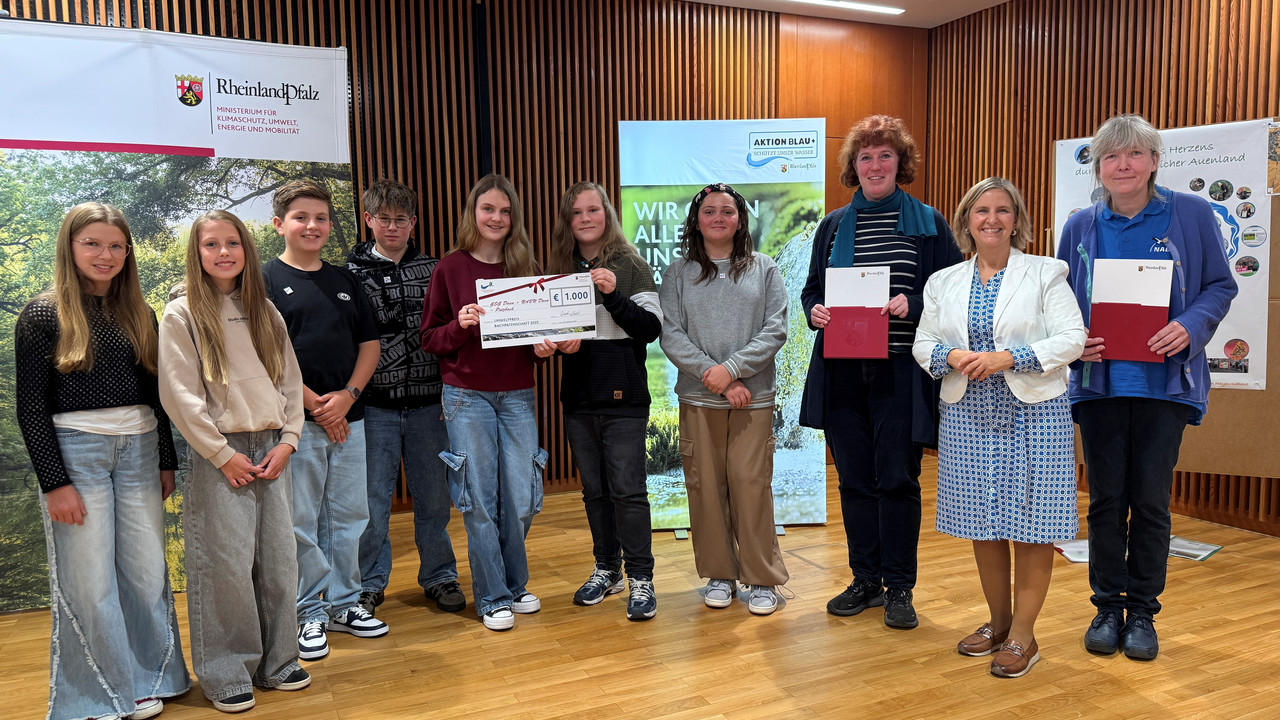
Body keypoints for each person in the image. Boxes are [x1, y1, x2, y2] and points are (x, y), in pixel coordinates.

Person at [1057, 114, 1236, 660]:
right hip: (1100, 384)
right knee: (1106, 501)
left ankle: (1143, 613)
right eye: (1111, 157)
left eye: (1134, 154)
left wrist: (1190, 325)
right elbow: (1061, 300)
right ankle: (1107, 607)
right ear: (1099, 167)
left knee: (1152, 503)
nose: (1123, 165)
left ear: (1154, 161)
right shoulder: (1080, 225)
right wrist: (1073, 340)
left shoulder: (1191, 213)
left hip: (1165, 385)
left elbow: (1219, 285)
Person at [15, 202, 190, 720]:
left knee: (144, 571)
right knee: (89, 580)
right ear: (70, 247)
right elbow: (31, 408)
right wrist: (54, 482)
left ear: (128, 252)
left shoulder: (140, 311)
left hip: (138, 451)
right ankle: (101, 694)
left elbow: (156, 395)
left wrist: (165, 459)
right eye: (91, 243)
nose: (104, 254)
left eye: (115, 245)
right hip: (76, 454)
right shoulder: (44, 314)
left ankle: (153, 677)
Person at [913, 178, 1086, 678]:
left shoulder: (1046, 273)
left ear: (1017, 219)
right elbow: (923, 344)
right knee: (982, 526)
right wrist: (952, 355)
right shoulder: (943, 281)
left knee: (1032, 528)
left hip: (1034, 414)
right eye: (981, 210)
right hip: (966, 416)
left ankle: (1025, 637)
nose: (992, 219)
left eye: (1003, 210)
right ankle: (998, 621)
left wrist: (1012, 356)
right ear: (966, 219)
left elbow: (1073, 338)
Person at [800, 115, 963, 628]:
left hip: (900, 371)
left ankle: (899, 587)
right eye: (865, 156)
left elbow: (951, 295)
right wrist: (815, 313)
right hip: (843, 369)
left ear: (901, 163)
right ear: (854, 165)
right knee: (852, 479)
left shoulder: (929, 223)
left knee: (897, 479)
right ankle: (865, 579)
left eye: (884, 155)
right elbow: (811, 291)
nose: (874, 165)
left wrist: (910, 302)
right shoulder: (832, 225)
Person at [158, 210, 310, 712]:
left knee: (279, 562)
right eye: (211, 245)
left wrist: (288, 439)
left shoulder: (265, 311)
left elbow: (289, 382)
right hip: (218, 452)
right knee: (223, 567)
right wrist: (222, 455)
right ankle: (227, 671)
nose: (223, 253)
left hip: (272, 447)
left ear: (246, 249)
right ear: (196, 254)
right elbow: (179, 395)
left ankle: (279, 661)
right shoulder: (182, 314)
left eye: (232, 243)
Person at [420, 174, 556, 632]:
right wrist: (459, 325)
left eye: (504, 210)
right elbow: (430, 339)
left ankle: (516, 585)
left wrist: (542, 345)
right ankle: (494, 596)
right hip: (465, 396)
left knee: (521, 498)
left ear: (513, 217)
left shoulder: (526, 267)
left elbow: (535, 333)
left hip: (517, 394)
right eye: (488, 210)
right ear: (473, 215)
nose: (496, 218)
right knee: (478, 499)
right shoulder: (450, 268)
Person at [262, 180, 387, 661]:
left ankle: (344, 603)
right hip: (298, 426)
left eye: (320, 218)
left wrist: (348, 396)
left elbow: (369, 344)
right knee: (302, 522)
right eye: (300, 217)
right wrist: (318, 404)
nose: (311, 225)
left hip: (350, 419)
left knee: (351, 516)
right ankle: (306, 612)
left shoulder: (345, 279)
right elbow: (268, 357)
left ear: (330, 225)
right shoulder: (266, 281)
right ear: (280, 225)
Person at [659, 182, 789, 616]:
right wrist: (715, 378)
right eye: (709, 211)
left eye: (727, 212)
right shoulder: (678, 273)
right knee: (706, 489)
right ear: (696, 220)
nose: (718, 218)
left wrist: (732, 370)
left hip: (753, 397)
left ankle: (763, 578)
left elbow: (776, 329)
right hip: (700, 398)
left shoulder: (764, 269)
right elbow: (671, 334)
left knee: (751, 486)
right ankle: (720, 574)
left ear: (740, 219)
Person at [347, 180, 465, 616]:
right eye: (383, 219)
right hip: (373, 405)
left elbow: (449, 330)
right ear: (368, 220)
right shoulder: (349, 274)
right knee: (372, 500)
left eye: (401, 219)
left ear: (413, 223)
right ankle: (369, 583)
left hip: (431, 403)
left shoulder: (437, 270)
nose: (392, 227)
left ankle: (439, 575)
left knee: (434, 498)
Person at [547, 181, 661, 621]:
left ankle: (642, 577)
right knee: (594, 492)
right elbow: (551, 331)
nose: (586, 219)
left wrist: (613, 295)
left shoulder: (631, 265)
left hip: (624, 398)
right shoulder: (558, 268)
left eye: (593, 210)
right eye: (576, 213)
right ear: (568, 221)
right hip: (578, 397)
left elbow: (649, 329)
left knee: (628, 491)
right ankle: (606, 568)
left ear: (607, 214)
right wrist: (555, 344)